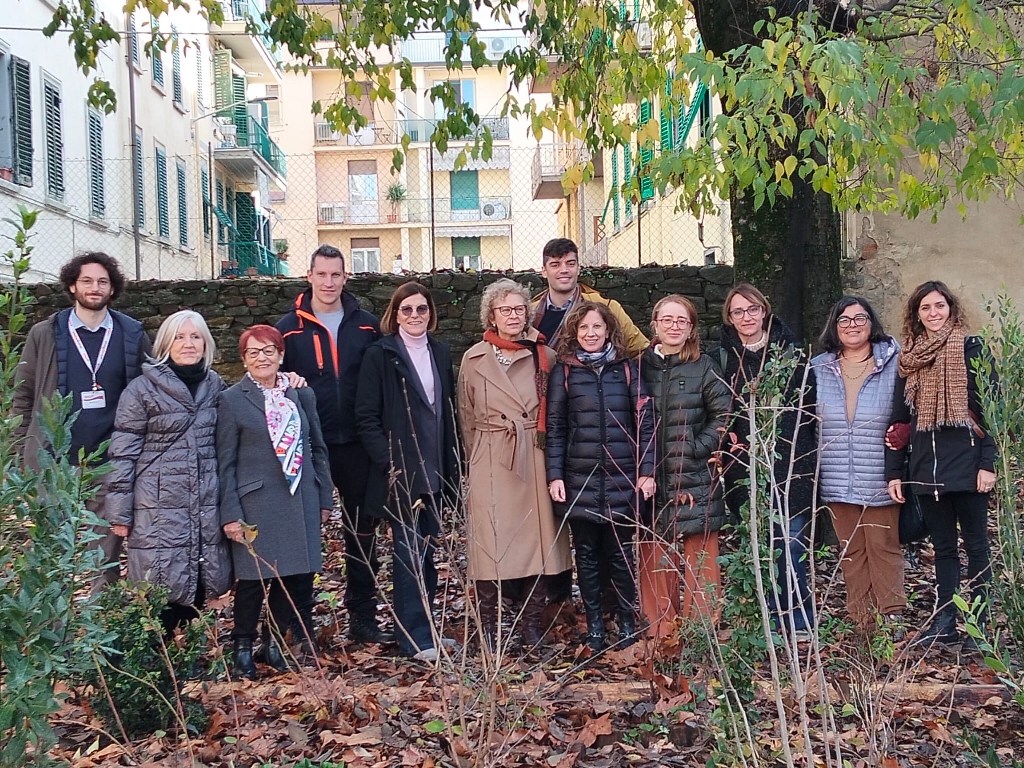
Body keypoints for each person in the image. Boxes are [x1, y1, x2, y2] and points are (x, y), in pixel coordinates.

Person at [12, 252, 152, 592]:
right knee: (53, 555)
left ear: (112, 288)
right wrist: (18, 453)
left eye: (102, 281)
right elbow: (23, 395)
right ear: (73, 285)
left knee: (104, 558)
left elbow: (155, 388)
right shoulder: (44, 333)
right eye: (87, 281)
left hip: (109, 466)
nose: (95, 287)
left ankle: (98, 638)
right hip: (55, 464)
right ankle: (56, 637)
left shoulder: (131, 333)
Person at [276, 245, 389, 645]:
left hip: (357, 443)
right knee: (304, 532)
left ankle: (362, 617)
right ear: (309, 276)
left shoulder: (367, 325)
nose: (328, 282)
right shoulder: (287, 328)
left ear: (345, 277)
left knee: (363, 533)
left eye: (336, 275)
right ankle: (298, 622)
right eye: (321, 274)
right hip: (309, 445)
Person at [458, 279, 572, 650]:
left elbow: (557, 413)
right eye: (504, 309)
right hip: (492, 456)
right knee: (490, 543)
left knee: (537, 542)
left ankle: (531, 627)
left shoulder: (546, 356)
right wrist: (479, 457)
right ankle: (489, 629)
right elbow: (467, 417)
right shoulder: (473, 358)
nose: (512, 316)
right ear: (491, 315)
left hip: (534, 455)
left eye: (519, 309)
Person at [217, 325, 334, 680]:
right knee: (254, 579)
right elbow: (225, 462)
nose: (262, 358)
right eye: (253, 352)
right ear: (243, 360)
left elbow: (317, 448)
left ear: (281, 355)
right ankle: (242, 647)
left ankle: (275, 644)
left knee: (293, 574)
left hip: (300, 498)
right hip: (255, 502)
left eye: (269, 351)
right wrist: (230, 513)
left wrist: (324, 495)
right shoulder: (232, 399)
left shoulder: (301, 395)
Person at [104, 311, 231, 635]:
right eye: (179, 337)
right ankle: (158, 664)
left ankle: (186, 659)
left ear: (206, 343)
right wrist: (120, 513)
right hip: (158, 504)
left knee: (199, 578)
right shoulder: (142, 390)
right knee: (160, 582)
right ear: (165, 343)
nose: (188, 344)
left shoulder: (216, 385)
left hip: (204, 498)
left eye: (195, 337)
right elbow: (122, 454)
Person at [885, 280, 996, 647]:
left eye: (939, 306)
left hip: (967, 466)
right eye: (925, 308)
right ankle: (945, 620)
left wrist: (988, 464)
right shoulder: (910, 359)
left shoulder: (970, 349)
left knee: (977, 546)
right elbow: (899, 422)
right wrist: (894, 472)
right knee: (944, 549)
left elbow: (992, 412)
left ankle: (980, 627)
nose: (933, 314)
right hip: (926, 470)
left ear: (951, 308)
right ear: (916, 315)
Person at [355, 283, 461, 663]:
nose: (415, 316)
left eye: (422, 309)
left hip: (436, 466)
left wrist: (453, 463)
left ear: (431, 312)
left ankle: (428, 628)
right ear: (395, 314)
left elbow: (446, 411)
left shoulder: (441, 351)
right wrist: (389, 462)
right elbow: (365, 416)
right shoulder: (380, 355)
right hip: (402, 472)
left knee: (428, 553)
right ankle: (412, 638)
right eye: (407, 310)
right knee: (407, 554)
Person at [546, 302, 656, 653]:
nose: (591, 334)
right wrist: (555, 474)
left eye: (597, 327)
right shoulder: (565, 371)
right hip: (580, 480)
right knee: (588, 558)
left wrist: (646, 471)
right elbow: (556, 428)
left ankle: (626, 620)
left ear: (609, 330)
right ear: (574, 333)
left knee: (621, 555)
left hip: (622, 478)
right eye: (584, 328)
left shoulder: (627, 369)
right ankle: (595, 625)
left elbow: (645, 424)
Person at [712, 283, 817, 640]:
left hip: (790, 467)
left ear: (764, 311)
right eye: (738, 311)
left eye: (753, 309)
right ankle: (765, 621)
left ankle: (799, 620)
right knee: (756, 548)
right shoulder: (721, 359)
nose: (747, 317)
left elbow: (808, 412)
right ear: (729, 317)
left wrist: (800, 461)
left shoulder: (790, 353)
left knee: (790, 545)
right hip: (744, 471)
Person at [639, 295, 731, 639]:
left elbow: (723, 415)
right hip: (652, 474)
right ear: (655, 324)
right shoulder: (640, 365)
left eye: (682, 321)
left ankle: (700, 631)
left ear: (691, 328)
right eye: (667, 319)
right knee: (653, 550)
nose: (674, 326)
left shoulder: (704, 366)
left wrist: (697, 447)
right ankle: (660, 628)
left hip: (694, 473)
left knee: (700, 552)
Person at [812, 297, 905, 635]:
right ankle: (862, 624)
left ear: (872, 322)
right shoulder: (819, 368)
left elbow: (906, 411)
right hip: (837, 476)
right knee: (851, 552)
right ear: (834, 327)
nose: (852, 324)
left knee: (883, 548)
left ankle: (890, 622)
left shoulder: (894, 363)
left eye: (859, 318)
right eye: (844, 319)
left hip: (880, 474)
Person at [530, 238, 648, 356]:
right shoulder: (529, 314)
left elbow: (640, 350)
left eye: (570, 264)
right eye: (555, 265)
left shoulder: (607, 308)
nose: (564, 270)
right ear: (544, 271)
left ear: (578, 269)